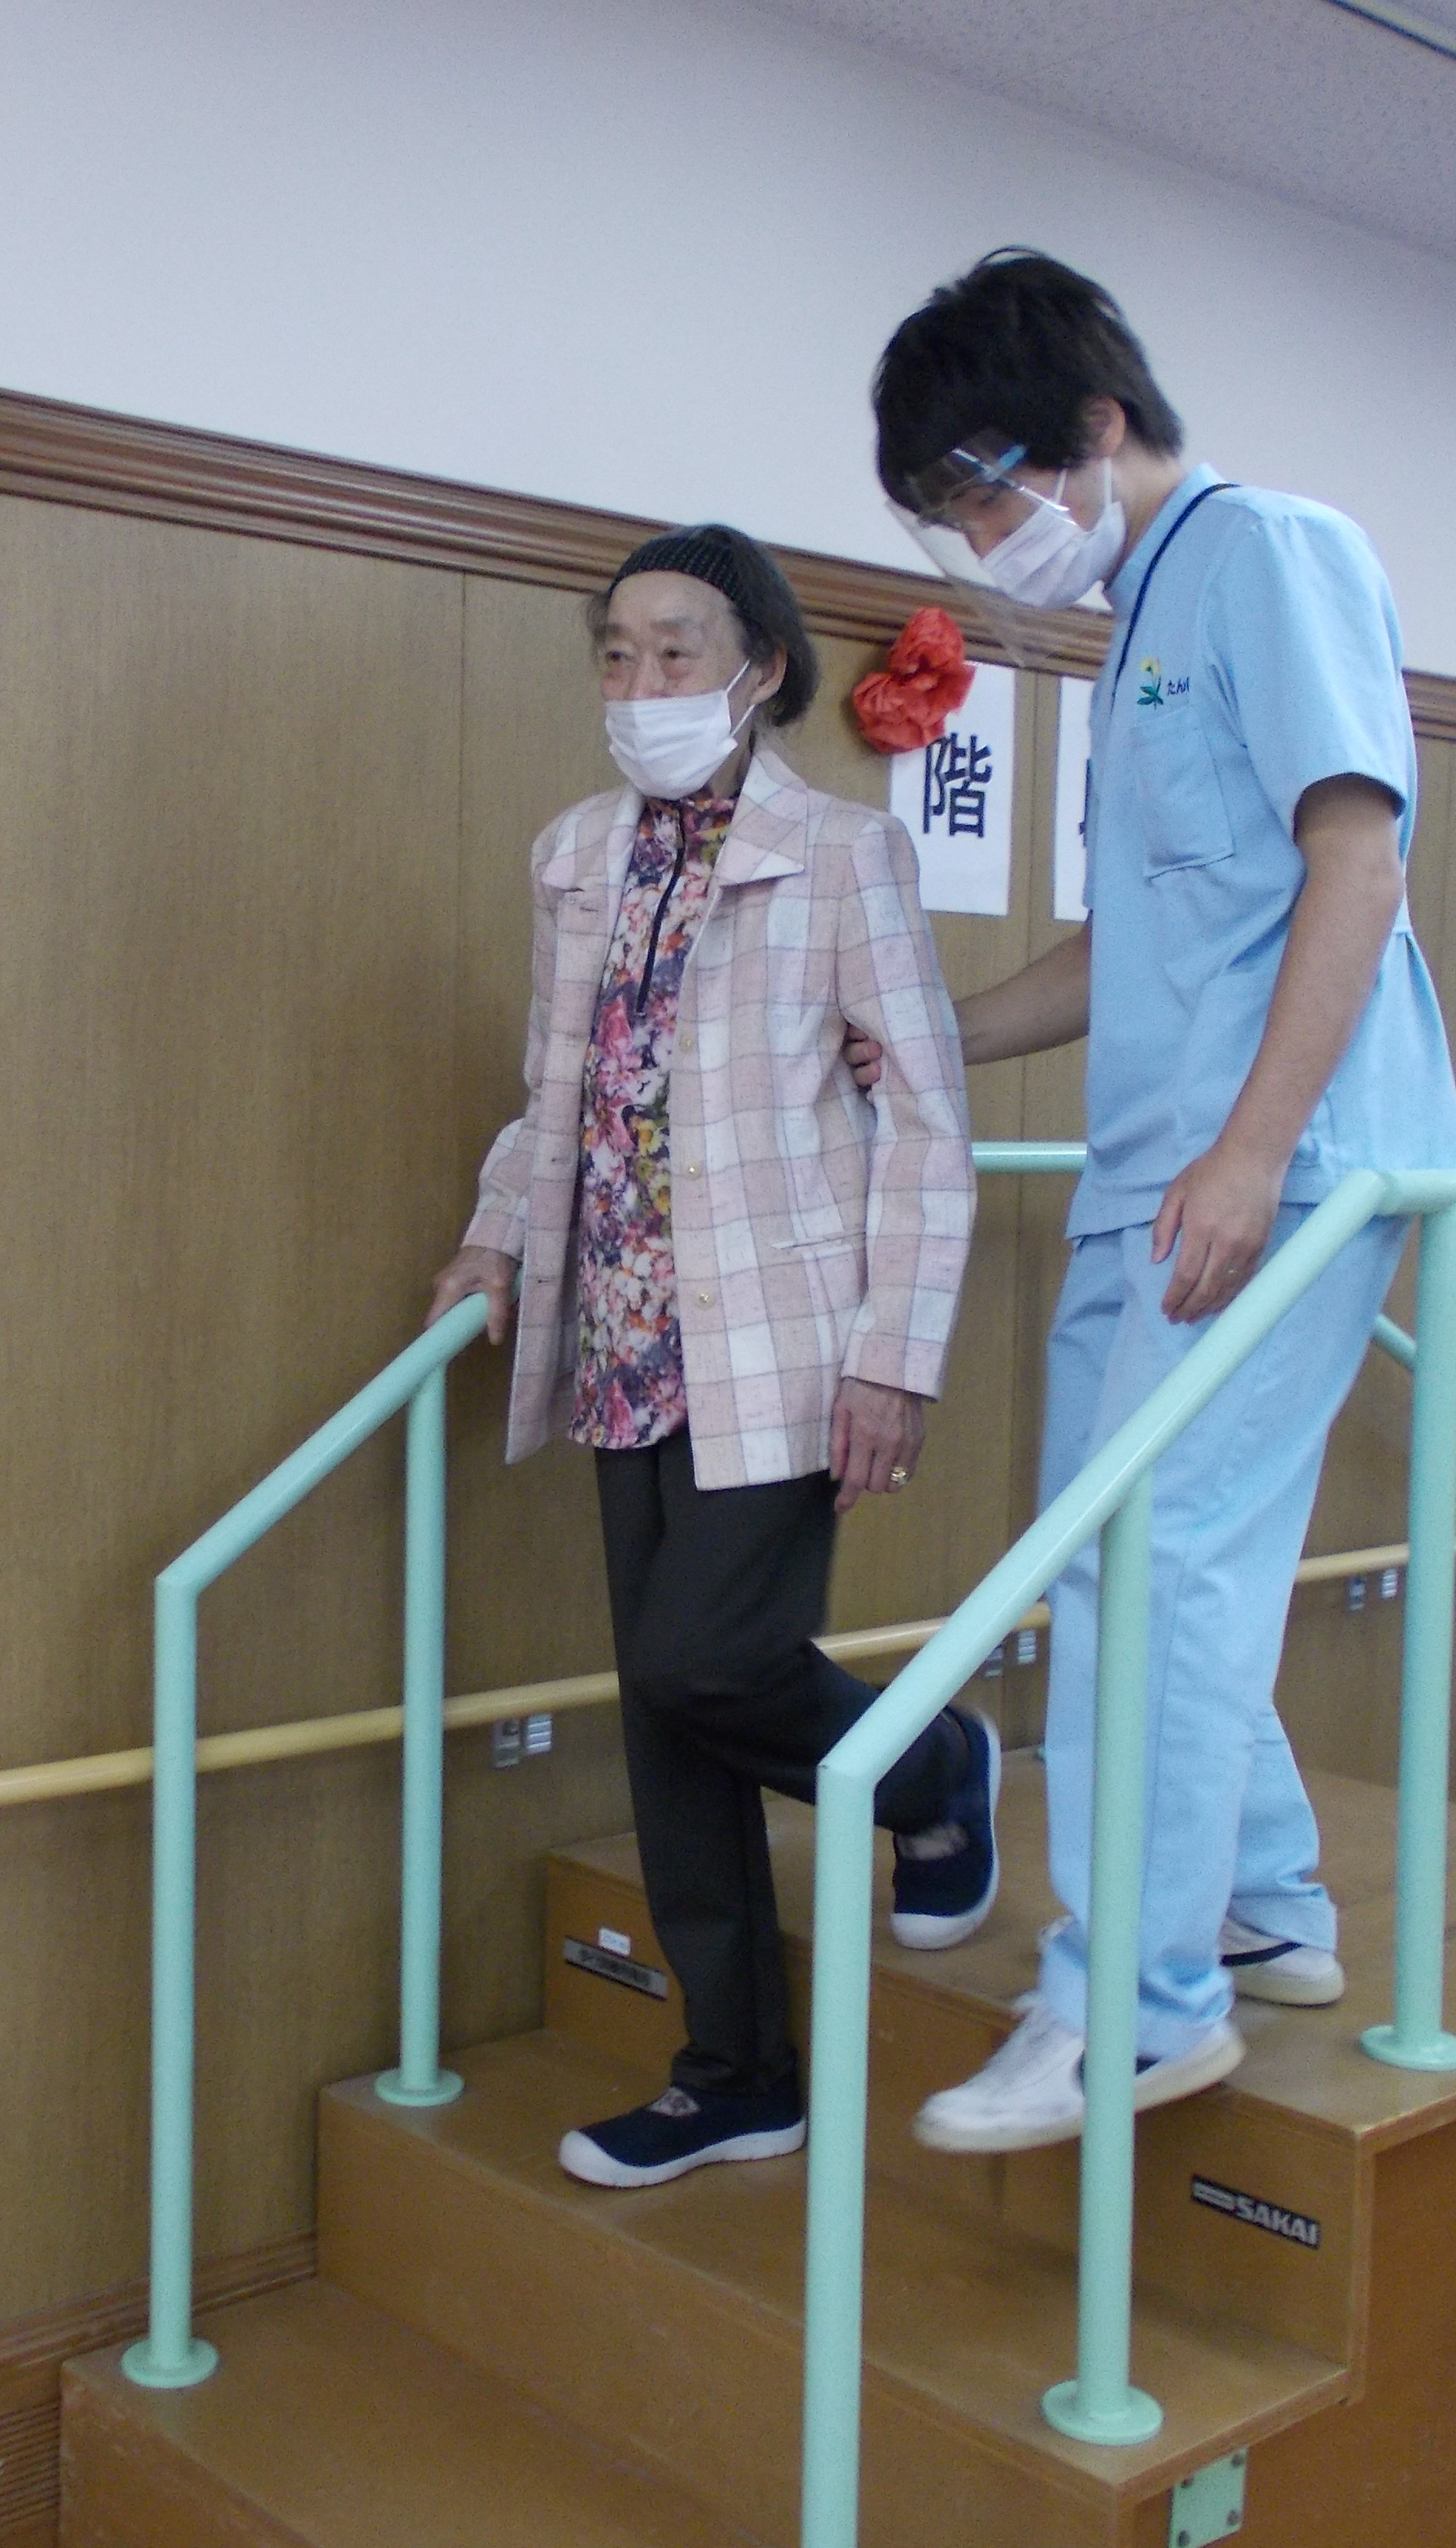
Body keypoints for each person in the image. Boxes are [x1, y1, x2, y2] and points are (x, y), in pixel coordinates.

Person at [855, 249, 1456, 2147]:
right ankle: (1264, 1903)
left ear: (1094, 426)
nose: (980, 547)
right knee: (1113, 1547)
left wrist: (1257, 1151)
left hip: (1280, 1164)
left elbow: (1355, 864)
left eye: (981, 497)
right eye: (948, 521)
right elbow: (1136, 945)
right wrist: (925, 1039)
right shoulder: (1134, 632)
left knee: (1156, 1563)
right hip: (1162, 1168)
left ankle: (1134, 2003)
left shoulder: (1273, 552)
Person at [428, 525, 1001, 2190]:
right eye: (616, 654)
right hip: (620, 1321)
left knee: (705, 1663)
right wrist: (496, 1235)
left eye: (675, 652)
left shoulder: (843, 855)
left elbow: (929, 1121)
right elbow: (559, 1093)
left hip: (782, 1332)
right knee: (665, 1721)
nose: (639, 684)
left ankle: (934, 1763)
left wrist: (899, 1355)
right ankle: (734, 2074)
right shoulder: (575, 855)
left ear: (759, 669)